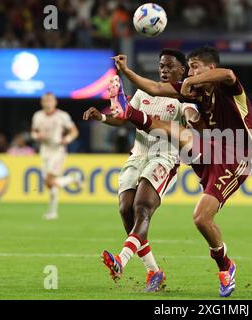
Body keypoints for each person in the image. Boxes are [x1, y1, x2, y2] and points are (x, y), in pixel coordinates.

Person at [110, 45, 252, 297]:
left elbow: (229, 74)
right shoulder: (194, 92)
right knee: (169, 129)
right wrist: (126, 70)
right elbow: (155, 88)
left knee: (201, 218)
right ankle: (129, 111)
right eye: (189, 67)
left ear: (209, 68)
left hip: (236, 156)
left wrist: (191, 80)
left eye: (194, 66)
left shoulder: (227, 87)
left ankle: (226, 266)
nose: (189, 72)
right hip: (211, 149)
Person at [83, 49, 199, 292]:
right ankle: (154, 272)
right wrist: (102, 118)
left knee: (142, 206)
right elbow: (124, 117)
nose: (164, 70)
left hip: (164, 158)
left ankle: (120, 261)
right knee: (126, 209)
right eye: (161, 66)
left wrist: (192, 120)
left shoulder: (185, 97)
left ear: (182, 70)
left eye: (170, 66)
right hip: (137, 156)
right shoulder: (144, 91)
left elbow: (192, 122)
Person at [31, 92, 81, 220]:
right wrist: (36, 136)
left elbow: (74, 131)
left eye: (50, 101)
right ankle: (72, 179)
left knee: (50, 180)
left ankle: (53, 212)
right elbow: (34, 131)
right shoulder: (37, 116)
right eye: (45, 101)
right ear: (42, 103)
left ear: (55, 102)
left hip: (57, 150)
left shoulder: (62, 116)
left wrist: (67, 139)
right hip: (44, 149)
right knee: (49, 183)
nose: (48, 104)